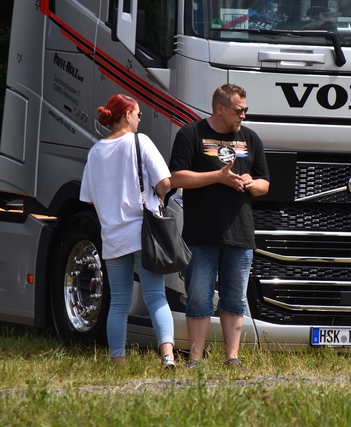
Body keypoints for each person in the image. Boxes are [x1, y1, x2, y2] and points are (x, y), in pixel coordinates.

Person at [168, 84, 270, 370]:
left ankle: (232, 358)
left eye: (246, 110)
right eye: (239, 111)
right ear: (220, 109)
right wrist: (217, 176)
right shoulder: (191, 134)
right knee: (199, 298)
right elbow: (177, 178)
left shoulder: (250, 139)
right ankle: (196, 359)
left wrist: (251, 183)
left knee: (234, 299)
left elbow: (265, 184)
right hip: (201, 233)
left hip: (240, 233)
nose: (244, 116)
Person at [79, 94, 175, 369]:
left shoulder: (96, 151)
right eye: (139, 114)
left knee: (119, 302)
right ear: (127, 114)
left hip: (112, 236)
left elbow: (88, 197)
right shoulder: (139, 141)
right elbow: (165, 182)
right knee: (155, 296)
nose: (140, 119)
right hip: (144, 234)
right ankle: (167, 356)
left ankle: (117, 361)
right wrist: (157, 195)